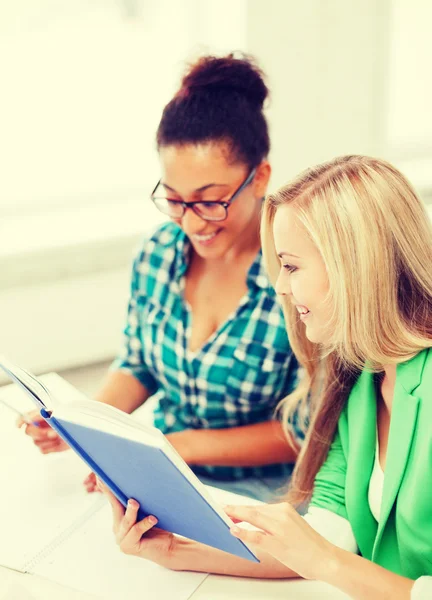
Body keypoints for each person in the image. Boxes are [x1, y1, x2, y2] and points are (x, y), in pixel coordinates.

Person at [99, 155, 432, 599]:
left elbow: (324, 556)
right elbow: (325, 536)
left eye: (292, 266)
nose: (280, 286)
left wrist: (327, 561)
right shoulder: (361, 377)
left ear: (355, 266)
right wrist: (176, 550)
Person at [18, 53, 304, 502]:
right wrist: (84, 423)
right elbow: (139, 364)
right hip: (169, 477)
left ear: (260, 177)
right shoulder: (156, 254)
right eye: (175, 200)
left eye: (211, 201)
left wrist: (175, 447)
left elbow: (306, 430)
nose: (192, 224)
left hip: (268, 497)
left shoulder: (298, 275)